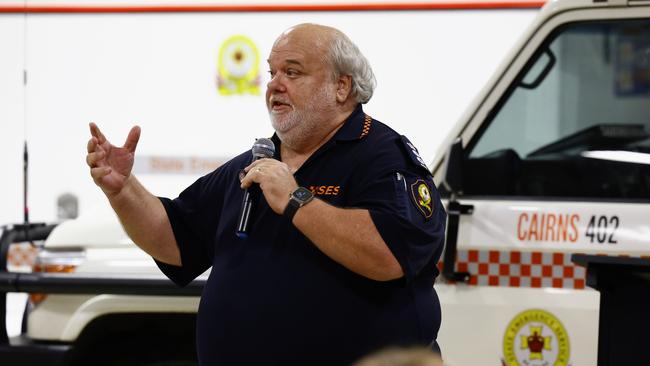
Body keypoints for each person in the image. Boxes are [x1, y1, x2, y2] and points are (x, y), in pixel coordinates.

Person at [86, 23, 446, 366]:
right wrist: (122, 189)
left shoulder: (382, 157)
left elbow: (391, 253)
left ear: (341, 86)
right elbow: (175, 239)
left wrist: (296, 200)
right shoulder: (258, 161)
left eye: (292, 72)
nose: (275, 85)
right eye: (272, 73)